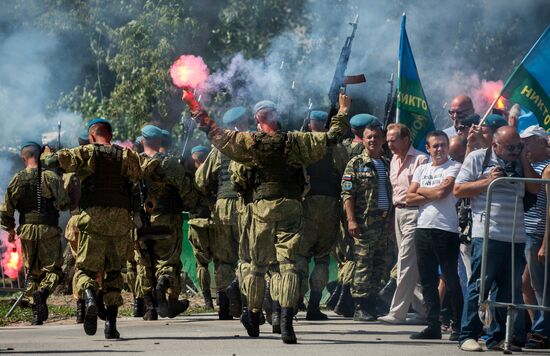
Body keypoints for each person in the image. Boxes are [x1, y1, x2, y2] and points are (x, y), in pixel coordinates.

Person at [182, 90, 350, 344]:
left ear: (257, 119)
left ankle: (253, 313)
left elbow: (214, 133)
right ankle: (286, 320)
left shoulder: (250, 142)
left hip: (260, 210)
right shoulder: (296, 141)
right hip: (292, 207)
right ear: (278, 117)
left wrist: (194, 105)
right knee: (288, 265)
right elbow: (332, 138)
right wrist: (342, 111)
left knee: (257, 266)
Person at [42, 118, 164, 339]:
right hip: (120, 221)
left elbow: (54, 162)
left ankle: (89, 297)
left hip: (93, 219)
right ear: (111, 134)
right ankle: (111, 325)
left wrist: (48, 153)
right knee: (115, 273)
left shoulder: (85, 152)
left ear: (91, 136)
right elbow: (141, 175)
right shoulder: (127, 155)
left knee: (87, 270)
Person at [455, 126, 539, 351]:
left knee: (508, 290)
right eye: (510, 147)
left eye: (518, 146)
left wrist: (522, 157)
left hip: (516, 236)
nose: (514, 151)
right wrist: (487, 182)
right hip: (487, 234)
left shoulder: (521, 162)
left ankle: (500, 336)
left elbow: (535, 188)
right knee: (480, 286)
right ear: (495, 145)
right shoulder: (478, 158)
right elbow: (458, 190)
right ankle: (468, 335)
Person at [0, 142, 69, 326]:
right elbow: (64, 203)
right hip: (48, 230)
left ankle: (35, 313)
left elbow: (6, 209)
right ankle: (43, 293)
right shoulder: (51, 177)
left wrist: (10, 229)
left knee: (32, 272)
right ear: (41, 157)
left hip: (27, 230)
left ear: (24, 158)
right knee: (53, 270)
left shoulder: (18, 179)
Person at [405, 131, 463, 340]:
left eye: (442, 145)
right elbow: (408, 198)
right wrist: (432, 192)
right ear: (427, 148)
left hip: (445, 230)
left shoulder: (455, 167)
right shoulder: (422, 169)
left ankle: (457, 326)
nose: (439, 149)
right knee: (427, 280)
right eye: (435, 146)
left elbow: (442, 193)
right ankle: (433, 325)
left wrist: (423, 192)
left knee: (450, 278)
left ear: (448, 147)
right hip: (423, 228)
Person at [195, 107, 250, 320]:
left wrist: (211, 197)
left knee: (223, 259)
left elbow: (200, 180)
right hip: (246, 206)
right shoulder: (253, 143)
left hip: (222, 206)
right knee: (246, 256)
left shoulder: (220, 148)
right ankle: (246, 302)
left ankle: (225, 305)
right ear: (246, 120)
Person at [134, 125, 193, 320]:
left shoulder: (134, 163)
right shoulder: (170, 164)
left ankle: (150, 307)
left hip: (141, 221)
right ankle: (164, 287)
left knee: (144, 262)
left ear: (143, 141)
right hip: (167, 219)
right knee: (168, 261)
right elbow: (186, 190)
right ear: (160, 141)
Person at [296, 110, 348, 321]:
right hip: (330, 204)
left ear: (310, 124)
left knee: (299, 256)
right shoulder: (336, 146)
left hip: (306, 204)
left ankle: (294, 301)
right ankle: (314, 307)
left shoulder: (300, 144)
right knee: (322, 259)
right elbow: (346, 171)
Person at [341, 116, 391, 321]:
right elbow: (347, 194)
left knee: (379, 263)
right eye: (369, 137)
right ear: (363, 139)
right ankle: (360, 306)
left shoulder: (387, 163)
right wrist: (351, 220)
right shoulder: (356, 163)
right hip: (364, 222)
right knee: (362, 263)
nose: (373, 141)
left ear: (383, 140)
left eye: (377, 137)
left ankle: (372, 302)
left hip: (383, 221)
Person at [378, 123, 428, 324]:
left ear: (406, 139)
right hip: (398, 213)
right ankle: (424, 310)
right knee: (409, 262)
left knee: (405, 263)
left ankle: (397, 312)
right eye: (388, 140)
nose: (389, 144)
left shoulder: (421, 160)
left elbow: (423, 191)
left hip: (414, 213)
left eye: (394, 140)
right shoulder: (393, 161)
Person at [520, 125, 550, 349]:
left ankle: (543, 331)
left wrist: (545, 242)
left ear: (542, 142)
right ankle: (537, 327)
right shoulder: (532, 165)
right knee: (526, 285)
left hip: (538, 233)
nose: (525, 146)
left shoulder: (548, 168)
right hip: (526, 231)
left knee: (540, 285)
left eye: (529, 141)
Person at [187, 145, 216, 311]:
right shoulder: (216, 175)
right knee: (221, 261)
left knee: (201, 264)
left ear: (194, 158)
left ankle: (207, 301)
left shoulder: (191, 177)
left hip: (197, 223)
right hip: (215, 221)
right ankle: (225, 298)